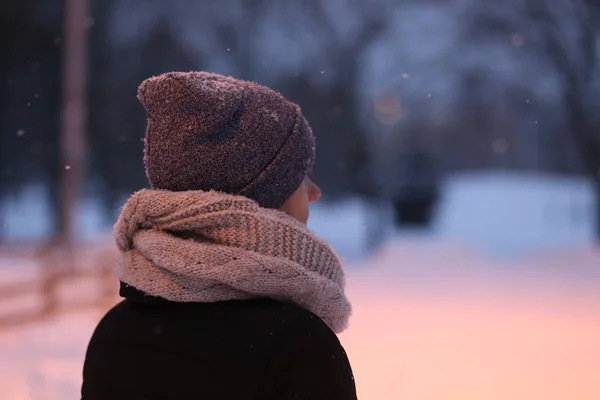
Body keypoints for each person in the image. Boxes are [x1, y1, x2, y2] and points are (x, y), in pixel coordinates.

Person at [81, 71, 357, 399]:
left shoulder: (115, 335)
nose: (314, 191)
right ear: (268, 196)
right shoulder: (297, 347)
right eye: (300, 176)